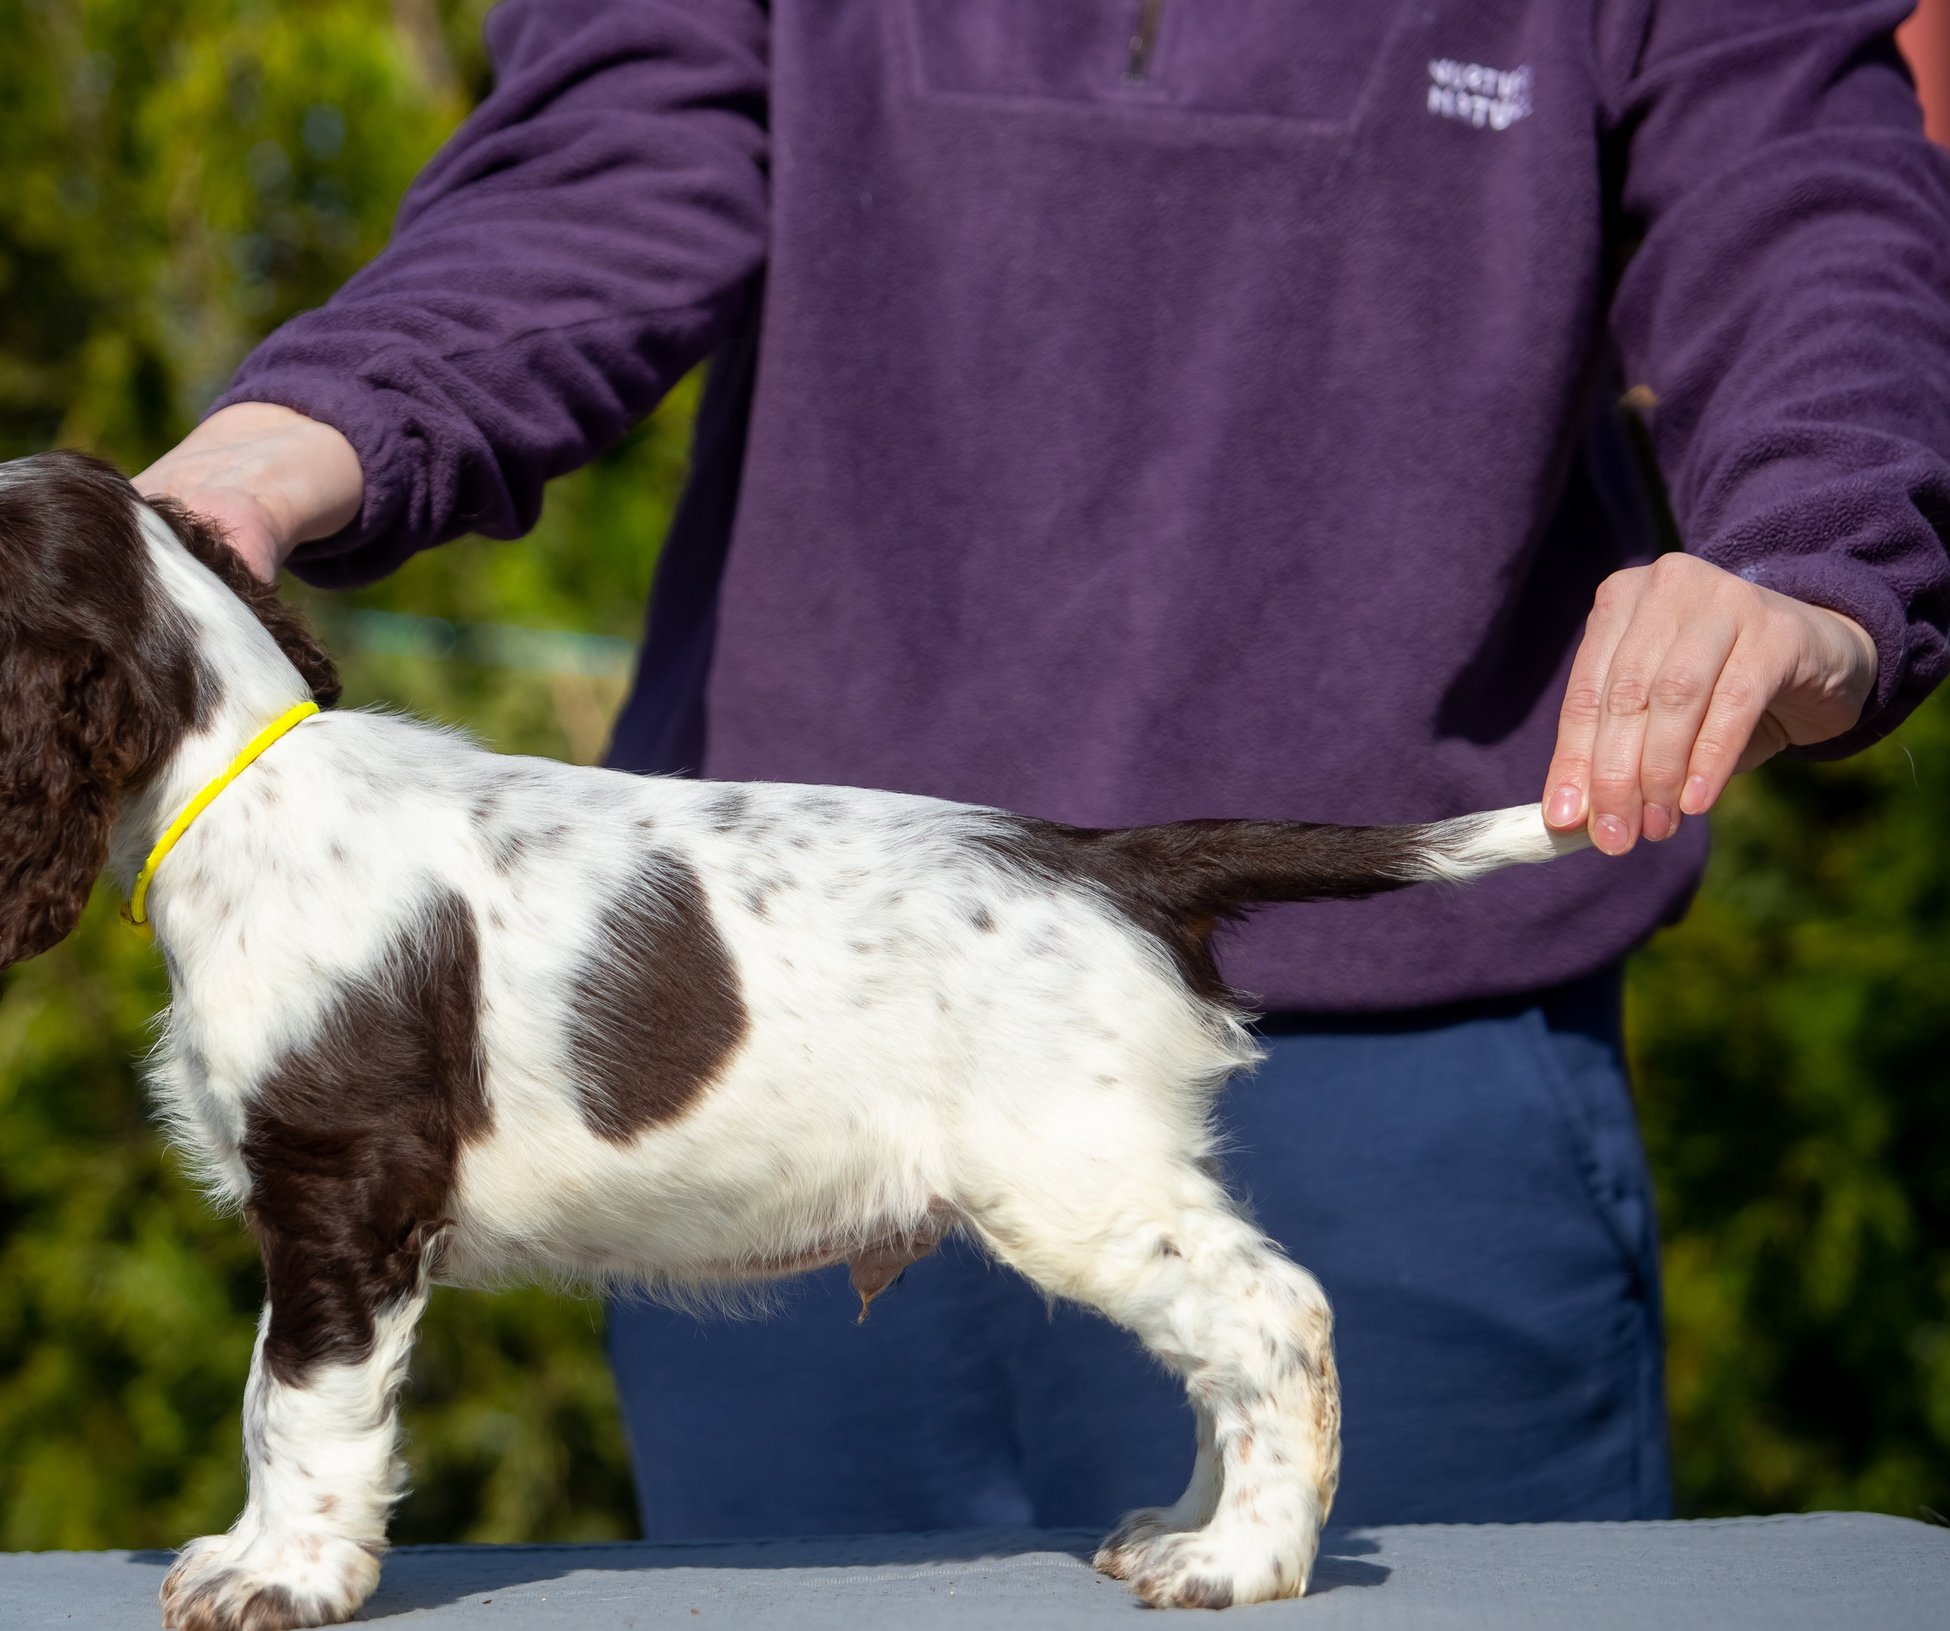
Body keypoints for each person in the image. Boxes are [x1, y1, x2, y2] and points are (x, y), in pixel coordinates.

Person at [136, 0, 1950, 1534]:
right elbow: (605, 153)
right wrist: (300, 433)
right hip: (740, 1033)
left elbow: (1805, 190)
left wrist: (1812, 551)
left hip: (1395, 1071)